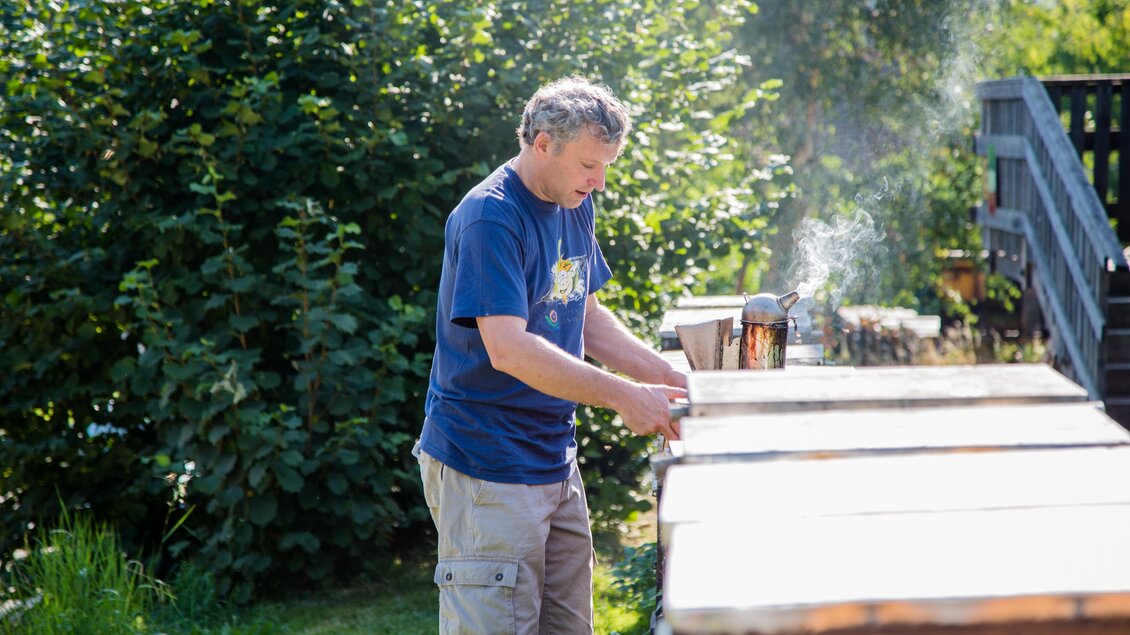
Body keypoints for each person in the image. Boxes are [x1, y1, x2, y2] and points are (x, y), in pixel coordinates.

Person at [415, 76, 688, 634]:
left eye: (607, 164)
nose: (601, 181)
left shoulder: (573, 201)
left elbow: (582, 315)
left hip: (554, 460)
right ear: (542, 143)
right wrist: (622, 397)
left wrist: (673, 380)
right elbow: (510, 350)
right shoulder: (491, 217)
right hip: (485, 467)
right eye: (591, 163)